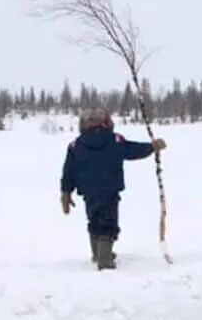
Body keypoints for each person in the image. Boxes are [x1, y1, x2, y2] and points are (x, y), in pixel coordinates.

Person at [60, 106, 165, 270]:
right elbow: (132, 150)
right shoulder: (114, 140)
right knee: (108, 224)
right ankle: (104, 259)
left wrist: (66, 193)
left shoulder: (75, 146)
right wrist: (152, 147)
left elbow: (69, 171)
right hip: (109, 190)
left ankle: (98, 253)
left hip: (88, 192)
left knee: (94, 219)